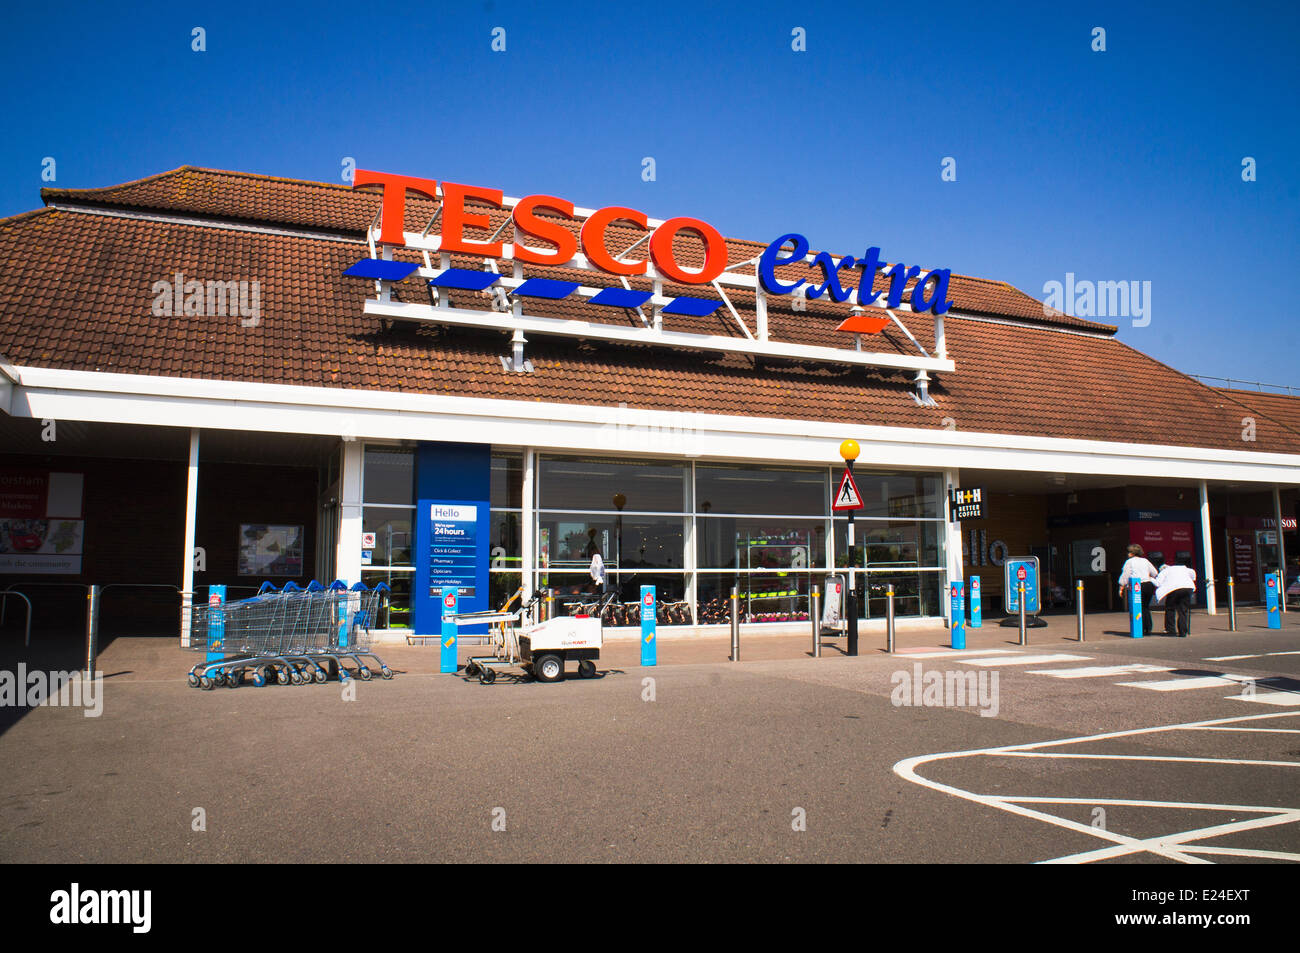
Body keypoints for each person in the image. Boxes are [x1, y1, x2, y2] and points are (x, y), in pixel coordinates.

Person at [1117, 544, 1159, 636]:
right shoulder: (1145, 561)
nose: (1128, 554)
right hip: (1148, 585)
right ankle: (1148, 628)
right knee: (1145, 607)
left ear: (1132, 553)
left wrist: (1121, 586)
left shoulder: (1129, 562)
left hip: (1137, 586)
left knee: (1138, 607)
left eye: (1129, 552)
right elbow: (1155, 573)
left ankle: (1140, 628)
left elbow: (1125, 575)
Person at [1154, 558, 1197, 636]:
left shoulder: (1164, 571)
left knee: (1170, 608)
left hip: (1174, 589)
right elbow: (1193, 573)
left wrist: (1150, 579)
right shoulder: (1183, 568)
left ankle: (1171, 630)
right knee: (1183, 610)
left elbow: (1158, 583)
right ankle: (1183, 632)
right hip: (1188, 587)